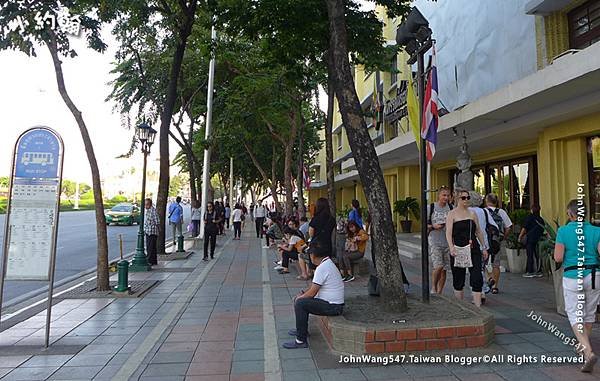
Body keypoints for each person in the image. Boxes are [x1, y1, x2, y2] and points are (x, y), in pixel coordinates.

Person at [554, 199, 600, 373]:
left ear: (571, 214)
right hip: (594, 275)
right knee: (589, 314)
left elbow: (558, 258)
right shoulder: (597, 231)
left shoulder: (563, 231)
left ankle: (588, 352)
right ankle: (583, 349)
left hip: (573, 276)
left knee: (574, 315)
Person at [283, 241, 344, 349]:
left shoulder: (323, 268)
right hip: (333, 304)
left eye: (310, 255)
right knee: (301, 299)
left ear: (313, 255)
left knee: (300, 303)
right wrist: (302, 294)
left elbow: (312, 292)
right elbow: (313, 287)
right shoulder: (327, 263)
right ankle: (302, 331)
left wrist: (299, 298)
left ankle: (301, 340)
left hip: (333, 307)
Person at [446, 190, 489, 307]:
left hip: (473, 247)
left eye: (467, 198)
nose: (466, 200)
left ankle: (477, 305)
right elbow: (448, 233)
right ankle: (460, 306)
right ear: (457, 199)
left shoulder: (472, 213)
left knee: (476, 276)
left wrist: (484, 247)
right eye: (463, 198)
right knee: (458, 277)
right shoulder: (452, 214)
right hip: (458, 248)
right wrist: (451, 248)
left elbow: (478, 231)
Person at [484, 193, 513, 294]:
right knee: (496, 264)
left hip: (485, 240)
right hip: (497, 241)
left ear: (486, 201)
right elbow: (508, 226)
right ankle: (495, 286)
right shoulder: (501, 212)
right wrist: (503, 236)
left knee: (482, 263)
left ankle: (488, 279)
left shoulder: (483, 211)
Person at [427, 186, 453, 294]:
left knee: (444, 269)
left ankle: (439, 291)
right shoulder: (431, 207)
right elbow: (425, 225)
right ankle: (433, 287)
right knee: (438, 266)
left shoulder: (451, 208)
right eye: (444, 195)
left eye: (448, 195)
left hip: (448, 241)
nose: (446, 198)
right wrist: (433, 226)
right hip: (435, 240)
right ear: (439, 195)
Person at [518, 204, 545, 278]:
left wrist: (520, 236)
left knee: (530, 255)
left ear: (532, 210)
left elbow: (524, 228)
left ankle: (530, 271)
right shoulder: (541, 219)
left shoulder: (529, 218)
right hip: (538, 240)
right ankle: (539, 271)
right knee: (537, 255)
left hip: (530, 239)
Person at [144, 198, 159, 266]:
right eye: (145, 204)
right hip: (148, 231)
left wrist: (158, 229)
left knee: (150, 247)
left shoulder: (153, 211)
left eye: (146, 204)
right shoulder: (148, 211)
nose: (145, 206)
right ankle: (153, 261)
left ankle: (150, 260)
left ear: (150, 204)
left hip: (152, 231)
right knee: (152, 247)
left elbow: (157, 221)